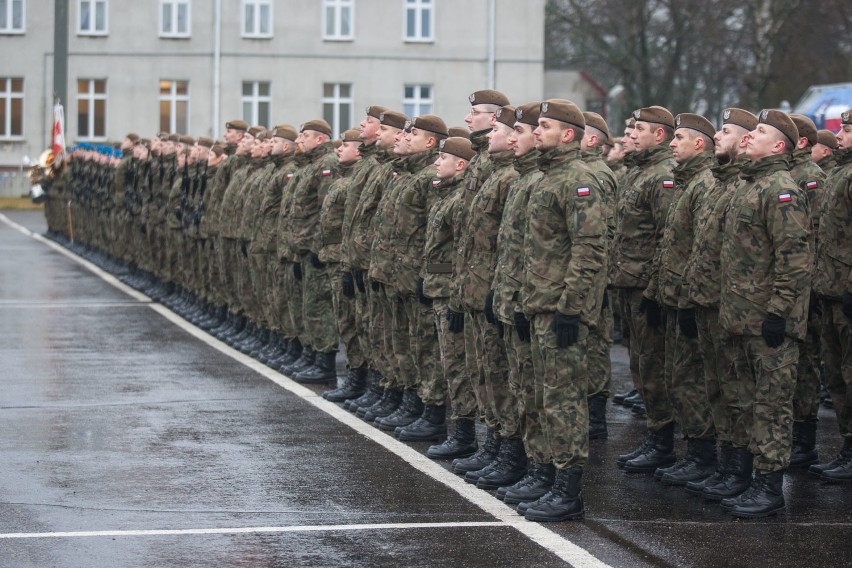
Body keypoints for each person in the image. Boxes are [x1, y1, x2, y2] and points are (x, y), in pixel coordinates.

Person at [517, 99, 606, 522]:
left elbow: (589, 249)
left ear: (567, 134)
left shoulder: (578, 179)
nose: (536, 131)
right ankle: (550, 478)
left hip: (561, 309)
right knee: (544, 396)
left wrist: (572, 308)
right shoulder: (545, 176)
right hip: (539, 304)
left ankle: (569, 491)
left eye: (545, 126)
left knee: (565, 400)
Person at [719, 109, 811, 518]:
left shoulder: (780, 189)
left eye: (758, 131)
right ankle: (747, 476)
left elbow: (795, 258)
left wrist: (779, 311)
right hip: (741, 317)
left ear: (778, 146)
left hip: (768, 320)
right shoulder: (749, 184)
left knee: (772, 405)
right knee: (745, 402)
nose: (748, 136)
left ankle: (769, 486)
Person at [681, 108, 759, 500]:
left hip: (737, 308)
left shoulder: (746, 188)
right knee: (718, 387)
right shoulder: (719, 185)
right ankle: (727, 464)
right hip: (710, 302)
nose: (718, 137)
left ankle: (742, 469)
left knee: (739, 391)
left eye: (725, 131)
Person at [612, 106, 678, 474]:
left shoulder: (662, 174)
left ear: (660, 135)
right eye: (632, 128)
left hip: (645, 288)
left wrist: (655, 289)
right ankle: (655, 436)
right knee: (640, 365)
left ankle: (663, 441)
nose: (632, 133)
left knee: (654, 367)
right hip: (627, 282)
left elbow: (667, 238)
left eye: (641, 129)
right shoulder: (638, 172)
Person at [651, 113, 716, 485]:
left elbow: (701, 251)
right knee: (680, 377)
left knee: (692, 379)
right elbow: (670, 246)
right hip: (673, 295)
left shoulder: (702, 184)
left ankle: (703, 455)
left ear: (699, 144)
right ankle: (696, 452)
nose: (672, 144)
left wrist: (690, 300)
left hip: (688, 298)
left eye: (680, 139)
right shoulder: (686, 182)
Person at [419, 137, 477, 453]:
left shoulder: (459, 200)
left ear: (461, 164)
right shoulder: (447, 195)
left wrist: (456, 294)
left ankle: (465, 434)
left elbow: (461, 253)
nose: (437, 162)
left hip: (451, 290)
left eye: (443, 157)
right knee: (448, 360)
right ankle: (458, 430)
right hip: (440, 286)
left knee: (456, 363)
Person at [810, 109, 852, 481]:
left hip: (847, 292)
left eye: (848, 128)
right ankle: (847, 447)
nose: (840, 133)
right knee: (838, 375)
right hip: (831, 290)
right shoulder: (839, 173)